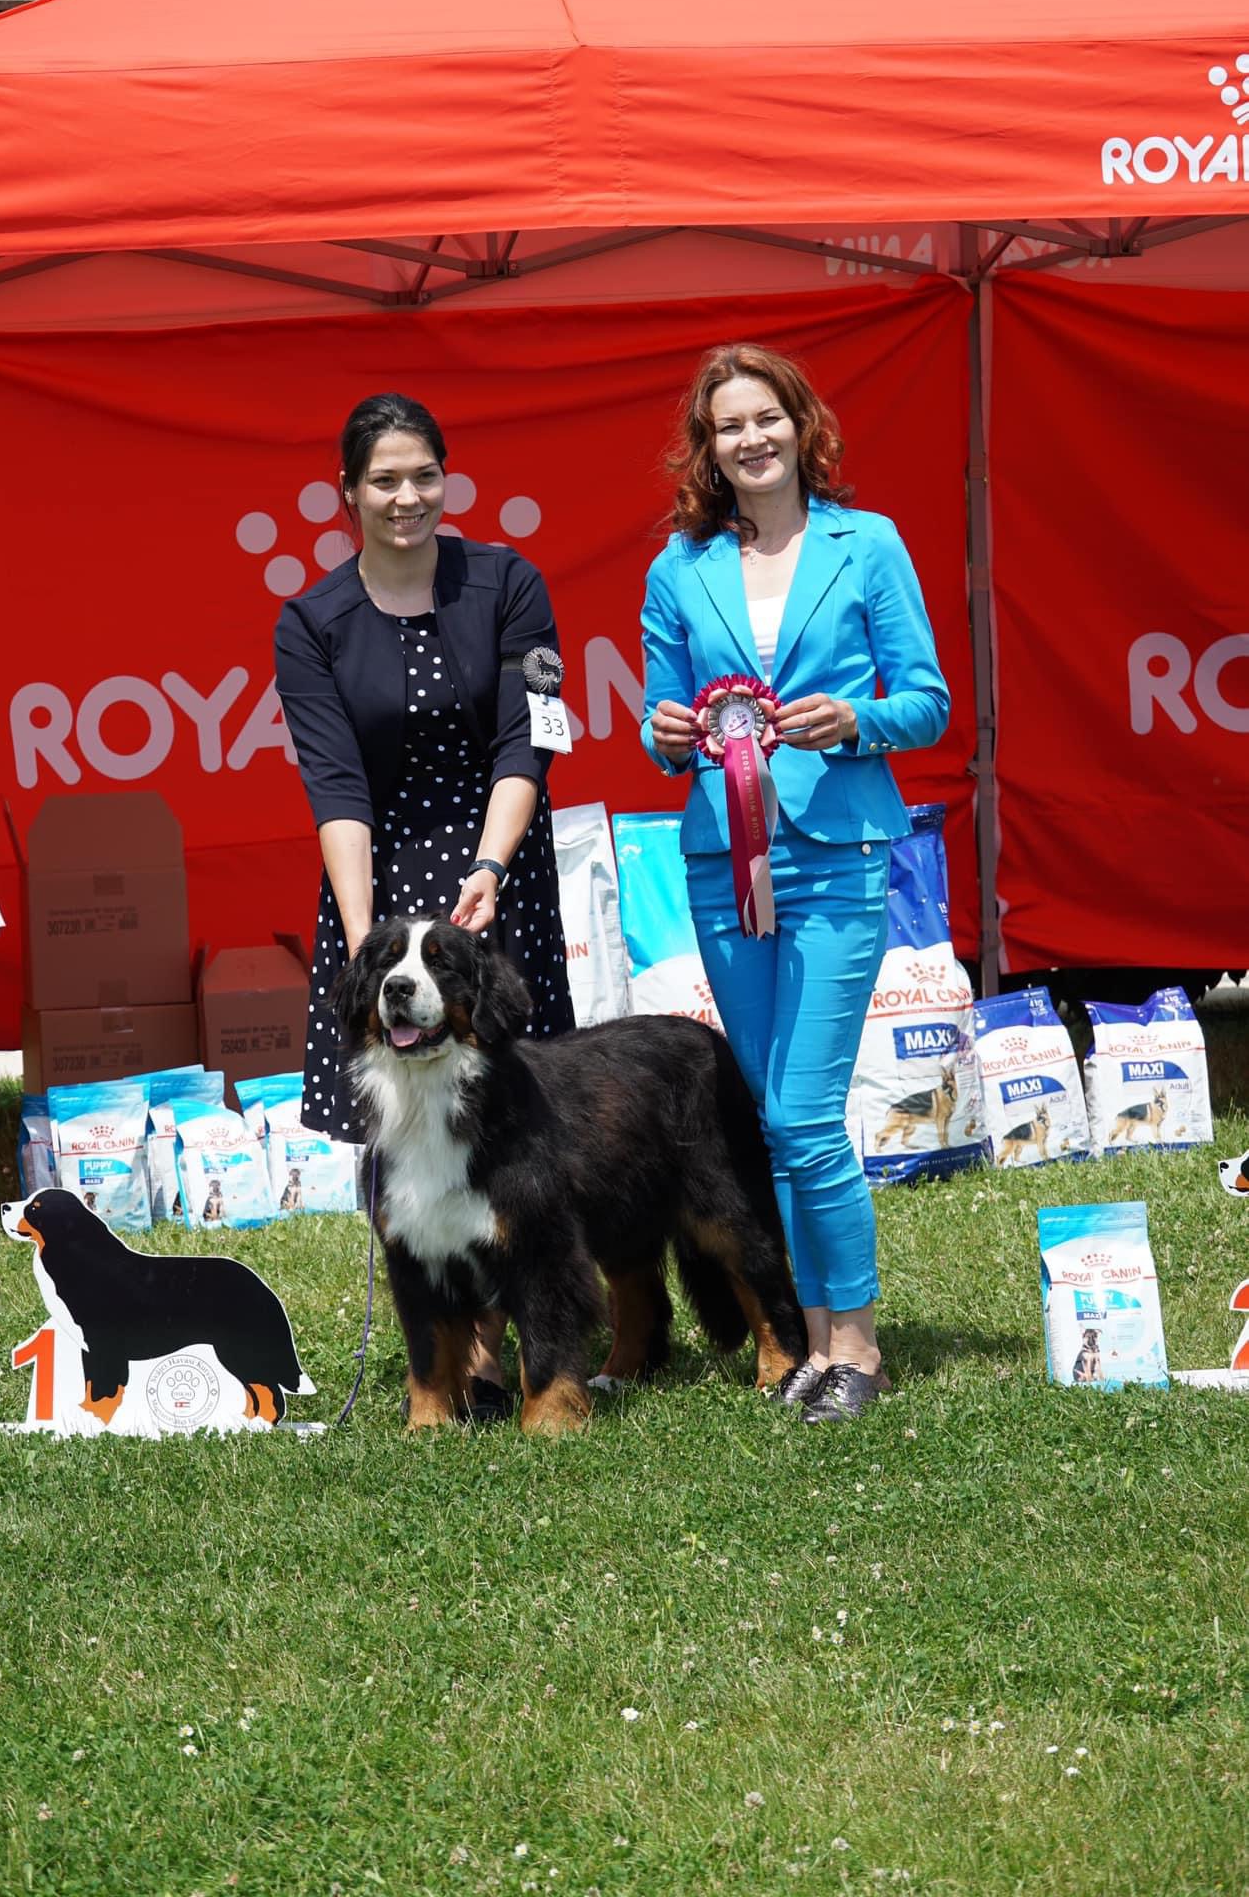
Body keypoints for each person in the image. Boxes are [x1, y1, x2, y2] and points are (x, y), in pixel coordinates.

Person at [640, 344, 949, 1424]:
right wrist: (666, 733)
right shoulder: (677, 568)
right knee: (774, 1114)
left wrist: (855, 719)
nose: (751, 439)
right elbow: (661, 727)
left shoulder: (869, 544)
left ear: (800, 424)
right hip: (720, 864)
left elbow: (927, 702)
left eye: (765, 417)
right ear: (708, 447)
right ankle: (806, 1340)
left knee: (807, 1110)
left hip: (836, 853)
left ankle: (854, 1345)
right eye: (728, 425)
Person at [274, 391, 575, 1419]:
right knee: (400, 1125)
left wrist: (490, 865)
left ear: (446, 478)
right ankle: (444, 1350)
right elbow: (334, 786)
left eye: (423, 476)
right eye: (384, 480)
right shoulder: (309, 621)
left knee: (514, 1128)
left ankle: (516, 1343)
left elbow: (532, 737)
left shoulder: (511, 582)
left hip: (497, 870)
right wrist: (365, 939)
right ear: (346, 492)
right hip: (378, 881)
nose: (406, 497)